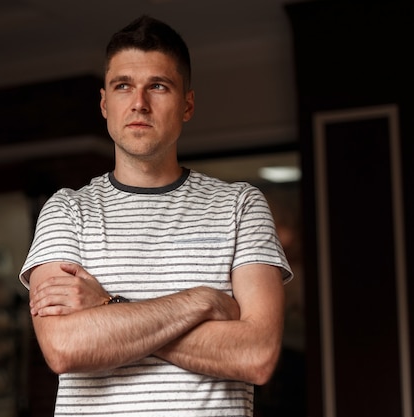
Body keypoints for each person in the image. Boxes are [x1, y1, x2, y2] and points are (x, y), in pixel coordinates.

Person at [19, 15, 293, 417]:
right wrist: (201, 302)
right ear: (104, 103)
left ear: (187, 104)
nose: (139, 103)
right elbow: (64, 348)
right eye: (123, 85)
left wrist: (108, 310)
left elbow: (256, 355)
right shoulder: (67, 210)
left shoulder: (241, 206)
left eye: (158, 86)